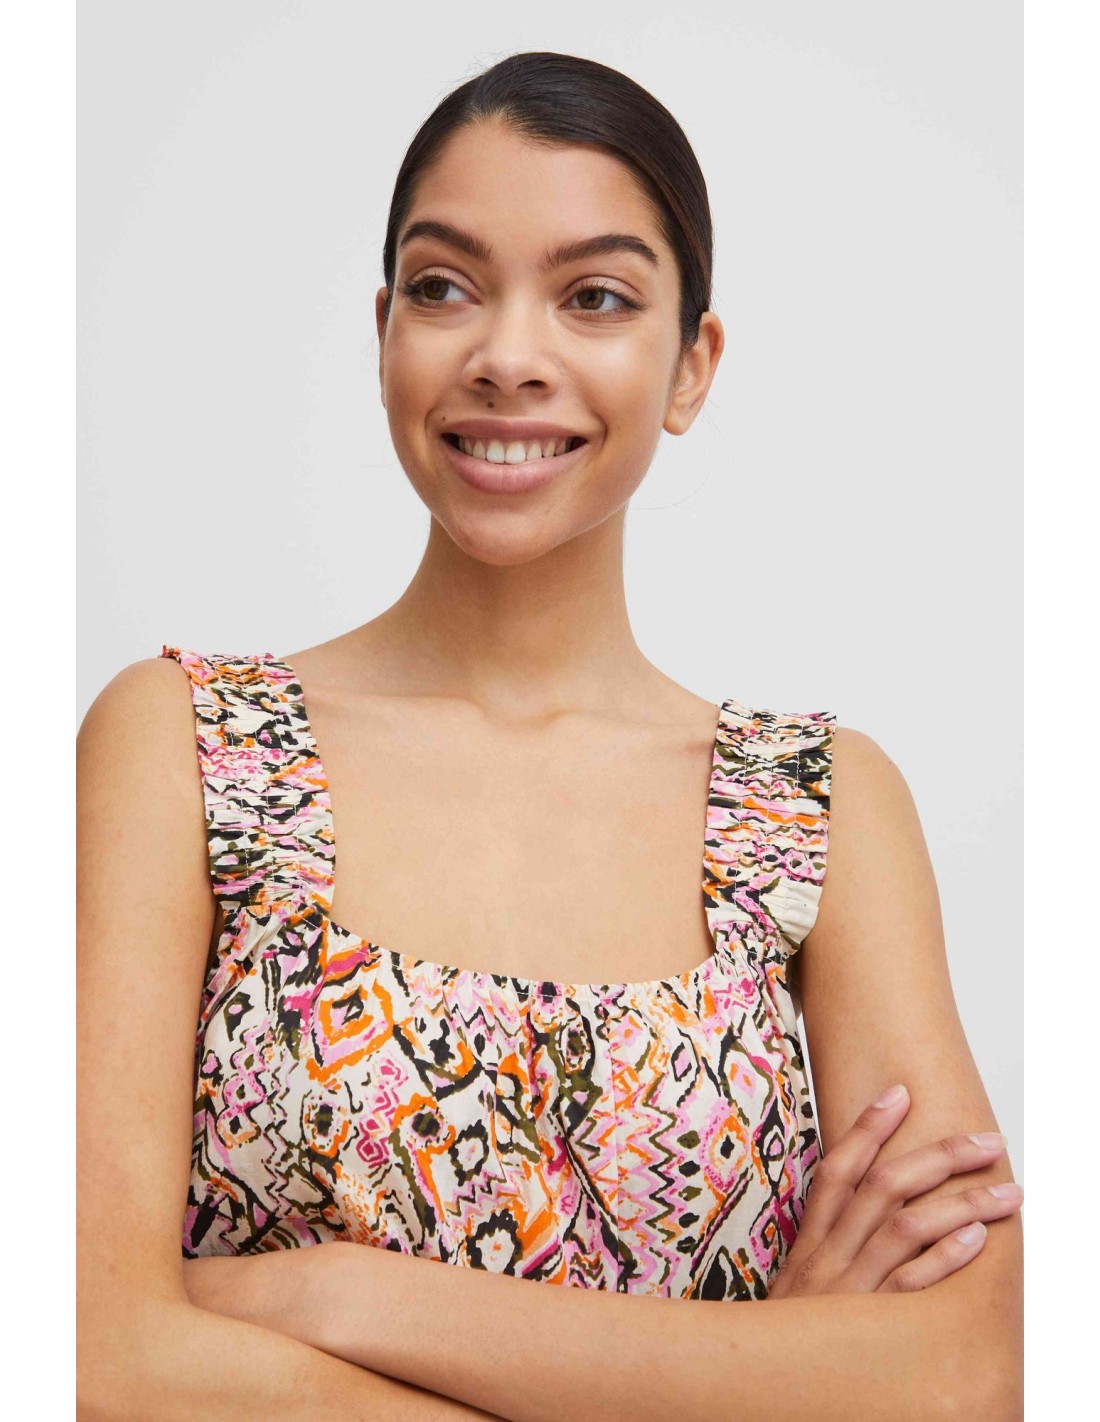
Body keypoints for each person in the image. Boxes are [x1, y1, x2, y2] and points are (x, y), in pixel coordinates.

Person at [77, 50, 1022, 1421]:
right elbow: (90, 1350)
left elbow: (968, 1373)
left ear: (690, 366)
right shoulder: (182, 746)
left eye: (595, 298)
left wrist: (336, 1295)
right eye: (444, 286)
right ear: (384, 333)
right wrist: (767, 1376)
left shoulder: (819, 807)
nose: (508, 357)